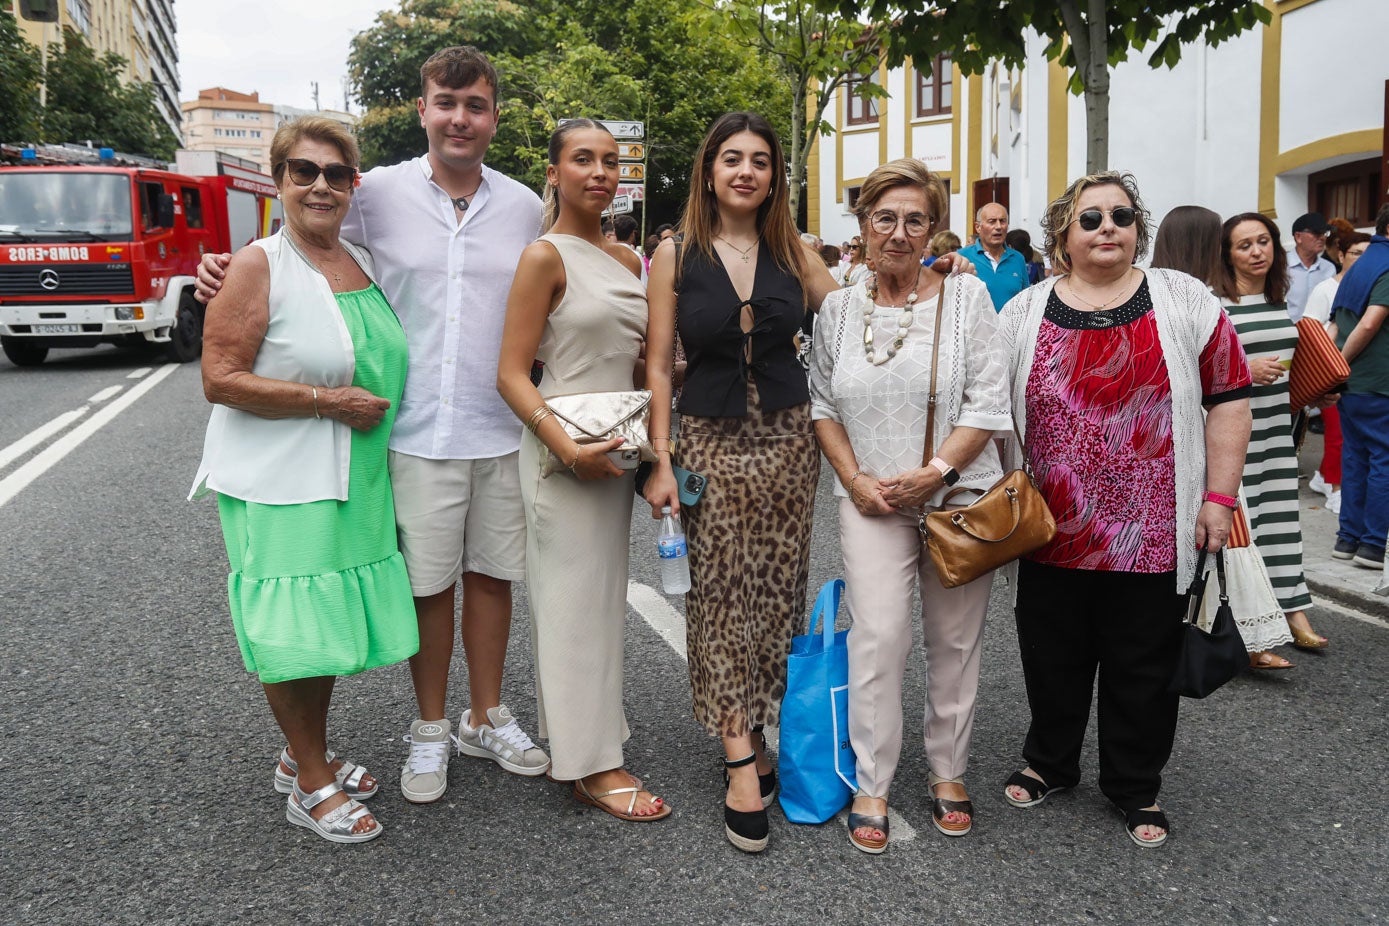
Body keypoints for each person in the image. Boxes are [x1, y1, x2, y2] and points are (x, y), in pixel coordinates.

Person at [197, 46, 550, 803]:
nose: (460, 118)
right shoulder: (376, 191)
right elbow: (295, 235)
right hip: (410, 429)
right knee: (427, 587)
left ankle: (484, 716)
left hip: (498, 424)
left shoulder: (524, 205)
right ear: (422, 110)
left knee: (493, 579)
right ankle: (427, 730)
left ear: (494, 117)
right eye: (445, 103)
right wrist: (226, 268)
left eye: (476, 105)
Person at [998, 171, 1252, 848]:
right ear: (1063, 235)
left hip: (1154, 529)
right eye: (1089, 218)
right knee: (1050, 655)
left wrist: (1219, 498)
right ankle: (1049, 762)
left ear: (1137, 228)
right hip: (1047, 530)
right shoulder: (1022, 312)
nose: (1106, 226)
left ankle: (1133, 786)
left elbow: (1229, 396)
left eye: (1120, 215)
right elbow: (986, 411)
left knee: (1142, 662)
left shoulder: (1182, 298)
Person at [190, 118, 419, 844]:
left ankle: (301, 754)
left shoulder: (355, 260)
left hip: (351, 477)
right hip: (281, 482)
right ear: (280, 181)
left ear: (354, 186)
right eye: (303, 171)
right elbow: (218, 379)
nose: (321, 185)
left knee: (319, 631)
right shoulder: (259, 263)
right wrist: (328, 402)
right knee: (292, 633)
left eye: (336, 173)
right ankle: (311, 783)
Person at [808, 159, 1010, 852]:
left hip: (955, 496)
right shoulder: (837, 308)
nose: (897, 232)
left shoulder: (967, 299)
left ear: (932, 229)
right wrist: (855, 478)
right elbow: (822, 405)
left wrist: (935, 470)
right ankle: (872, 779)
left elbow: (989, 400)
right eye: (883, 218)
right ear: (862, 225)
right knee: (878, 636)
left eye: (914, 220)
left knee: (955, 641)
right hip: (870, 500)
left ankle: (947, 771)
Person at [495, 119, 671, 823]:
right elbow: (510, 373)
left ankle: (585, 741)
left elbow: (626, 358)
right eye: (582, 159)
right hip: (564, 459)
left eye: (610, 161)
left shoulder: (628, 260)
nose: (600, 172)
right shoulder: (543, 257)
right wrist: (565, 449)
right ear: (554, 171)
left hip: (614, 450)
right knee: (570, 610)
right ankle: (591, 765)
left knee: (595, 607)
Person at [1151, 205, 1294, 669]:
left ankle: (1239, 634)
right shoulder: (1181, 299)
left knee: (1223, 533)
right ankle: (1234, 636)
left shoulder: (1193, 295)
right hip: (1189, 434)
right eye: (1220, 241)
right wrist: (1241, 371)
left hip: (1198, 430)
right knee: (1218, 533)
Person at [1217, 212, 1331, 650]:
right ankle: (1248, 625)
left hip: (1279, 430)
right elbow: (1200, 372)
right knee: (1244, 528)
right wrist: (1244, 369)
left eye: (1263, 241)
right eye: (1244, 245)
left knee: (1281, 522)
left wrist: (1317, 389)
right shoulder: (1217, 307)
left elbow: (1290, 367)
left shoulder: (1276, 303)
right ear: (1227, 256)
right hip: (1235, 433)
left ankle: (1292, 610)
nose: (1256, 251)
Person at [1329, 202, 1389, 570]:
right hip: (1377, 382)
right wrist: (1341, 365)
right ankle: (1372, 545)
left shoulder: (1359, 263)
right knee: (1383, 461)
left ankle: (1346, 540)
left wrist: (1334, 369)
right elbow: (1369, 324)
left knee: (1356, 459)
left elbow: (1334, 324)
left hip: (1353, 386)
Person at [1306, 231, 1372, 515]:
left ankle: (1323, 475)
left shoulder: (1376, 285)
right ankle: (1335, 488)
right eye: (1356, 252)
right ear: (1341, 255)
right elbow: (1309, 329)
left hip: (1366, 374)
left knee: (1356, 436)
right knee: (1337, 433)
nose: (1362, 259)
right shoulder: (1325, 289)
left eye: (1368, 253)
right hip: (1332, 371)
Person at [960, 202, 1029, 311]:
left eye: (1002, 221)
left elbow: (1026, 299)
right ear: (978, 227)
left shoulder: (1018, 259)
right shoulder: (963, 256)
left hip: (1010, 327)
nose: (998, 227)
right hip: (976, 327)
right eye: (992, 222)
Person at [1286, 212, 1336, 321]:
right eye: (1317, 233)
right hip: (1287, 332)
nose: (1322, 237)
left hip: (1319, 333)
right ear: (1298, 237)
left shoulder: (1329, 268)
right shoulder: (1281, 266)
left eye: (1325, 233)